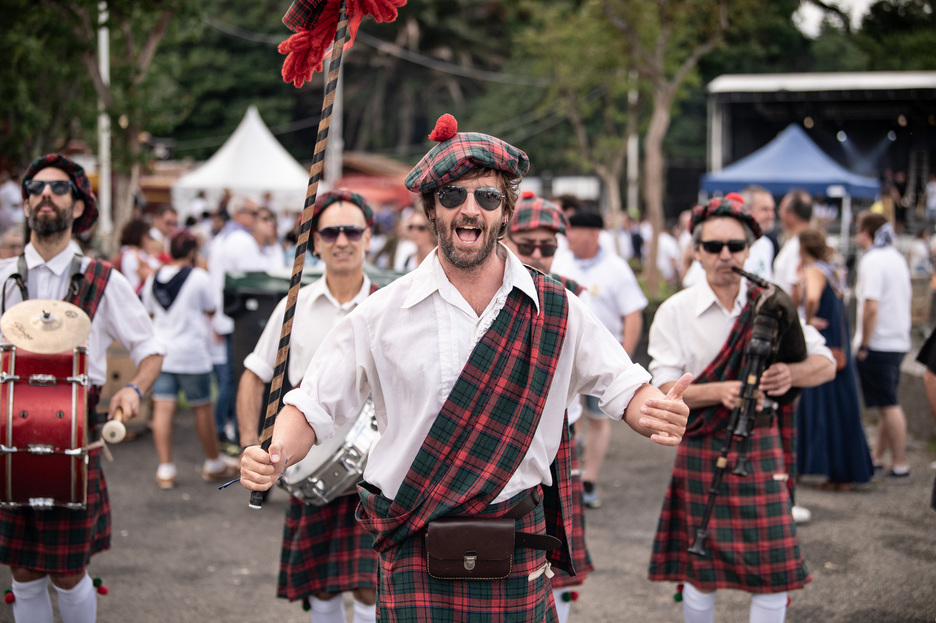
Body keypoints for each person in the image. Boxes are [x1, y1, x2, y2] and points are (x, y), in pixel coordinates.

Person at [241, 113, 691, 621]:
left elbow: (622, 385)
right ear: (431, 207)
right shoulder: (380, 314)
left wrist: (652, 408)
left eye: (488, 197)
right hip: (414, 536)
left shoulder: (557, 308)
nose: (470, 209)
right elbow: (312, 406)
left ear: (506, 211)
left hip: (515, 540)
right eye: (453, 195)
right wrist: (277, 453)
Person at [647, 196, 835, 623]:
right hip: (704, 441)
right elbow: (664, 388)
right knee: (701, 569)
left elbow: (826, 363)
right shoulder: (676, 311)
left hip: (761, 442)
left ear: (749, 250)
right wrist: (719, 392)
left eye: (735, 245)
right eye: (713, 247)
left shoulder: (772, 305)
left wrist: (791, 373)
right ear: (698, 251)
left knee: (774, 573)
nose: (725, 255)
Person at [0, 154, 164, 623]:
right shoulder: (2, 277)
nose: (45, 195)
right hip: (9, 435)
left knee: (69, 572)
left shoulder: (104, 279)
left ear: (77, 207)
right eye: (35, 188)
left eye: (59, 188)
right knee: (23, 569)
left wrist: (133, 390)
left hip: (75, 436)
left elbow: (151, 347)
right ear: (26, 203)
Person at [237, 189, 379, 623]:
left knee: (371, 586)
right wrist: (250, 444)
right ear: (315, 242)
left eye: (352, 230)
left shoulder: (388, 306)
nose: (342, 240)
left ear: (367, 237)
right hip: (307, 468)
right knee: (320, 587)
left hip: (376, 476)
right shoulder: (293, 307)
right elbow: (253, 375)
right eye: (330, 232)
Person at [502, 190, 593, 623]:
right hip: (503, 436)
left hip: (557, 437)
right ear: (505, 239)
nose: (538, 254)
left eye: (548, 246)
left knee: (557, 555)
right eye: (528, 245)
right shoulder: (486, 291)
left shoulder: (573, 295)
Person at [552, 209, 648, 509]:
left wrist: (624, 357)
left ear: (592, 234)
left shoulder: (616, 269)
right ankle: (571, 473)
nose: (567, 236)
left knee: (597, 419)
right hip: (563, 357)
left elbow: (633, 313)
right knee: (568, 417)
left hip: (602, 360)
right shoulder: (560, 262)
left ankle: (589, 480)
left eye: (573, 230)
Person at [142, 229, 238, 489]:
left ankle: (165, 469)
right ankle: (213, 463)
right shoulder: (198, 277)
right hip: (192, 353)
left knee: (163, 408)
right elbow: (211, 309)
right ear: (192, 252)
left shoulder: (153, 278)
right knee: (202, 408)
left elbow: (148, 312)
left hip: (162, 352)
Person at [795, 228, 873, 489]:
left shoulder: (815, 271)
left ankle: (821, 468)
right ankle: (844, 472)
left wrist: (808, 320)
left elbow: (813, 298)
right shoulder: (833, 271)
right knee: (840, 408)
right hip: (839, 343)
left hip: (824, 343)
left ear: (803, 248)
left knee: (821, 407)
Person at [853, 211, 912, 480]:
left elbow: (871, 307)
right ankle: (878, 457)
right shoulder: (896, 257)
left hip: (879, 342)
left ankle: (900, 463)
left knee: (888, 405)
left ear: (866, 233)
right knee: (887, 403)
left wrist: (864, 344)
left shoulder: (872, 260)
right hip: (898, 340)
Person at [772, 189, 812, 300]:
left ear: (792, 215)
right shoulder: (799, 242)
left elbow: (796, 286)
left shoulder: (799, 245)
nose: (780, 214)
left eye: (782, 209)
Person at [114, 219, 161, 296]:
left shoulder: (131, 253)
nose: (148, 240)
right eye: (147, 236)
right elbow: (148, 278)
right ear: (139, 236)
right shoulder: (131, 255)